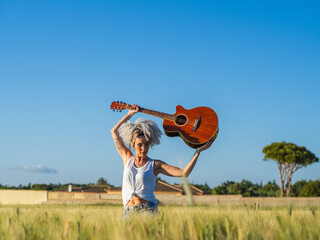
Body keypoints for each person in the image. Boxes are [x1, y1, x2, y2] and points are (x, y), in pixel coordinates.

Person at [111, 104, 213, 220]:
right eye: (139, 145)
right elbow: (114, 131)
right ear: (133, 144)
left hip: (148, 211)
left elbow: (183, 173)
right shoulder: (127, 158)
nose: (143, 148)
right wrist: (130, 114)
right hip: (128, 212)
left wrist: (198, 152)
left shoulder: (155, 165)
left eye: (146, 144)